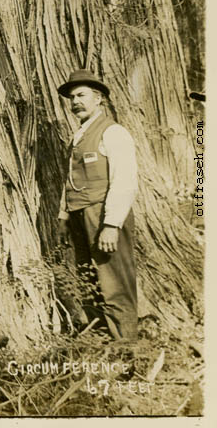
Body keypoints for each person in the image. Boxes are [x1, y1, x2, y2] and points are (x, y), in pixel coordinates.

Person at [57, 69, 138, 341]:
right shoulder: (78, 137)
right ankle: (101, 341)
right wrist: (63, 217)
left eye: (82, 95)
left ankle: (127, 352)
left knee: (114, 284)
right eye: (71, 97)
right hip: (80, 216)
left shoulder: (113, 132)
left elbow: (124, 181)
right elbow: (70, 179)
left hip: (103, 216)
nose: (75, 102)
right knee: (88, 280)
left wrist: (112, 225)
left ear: (99, 98)